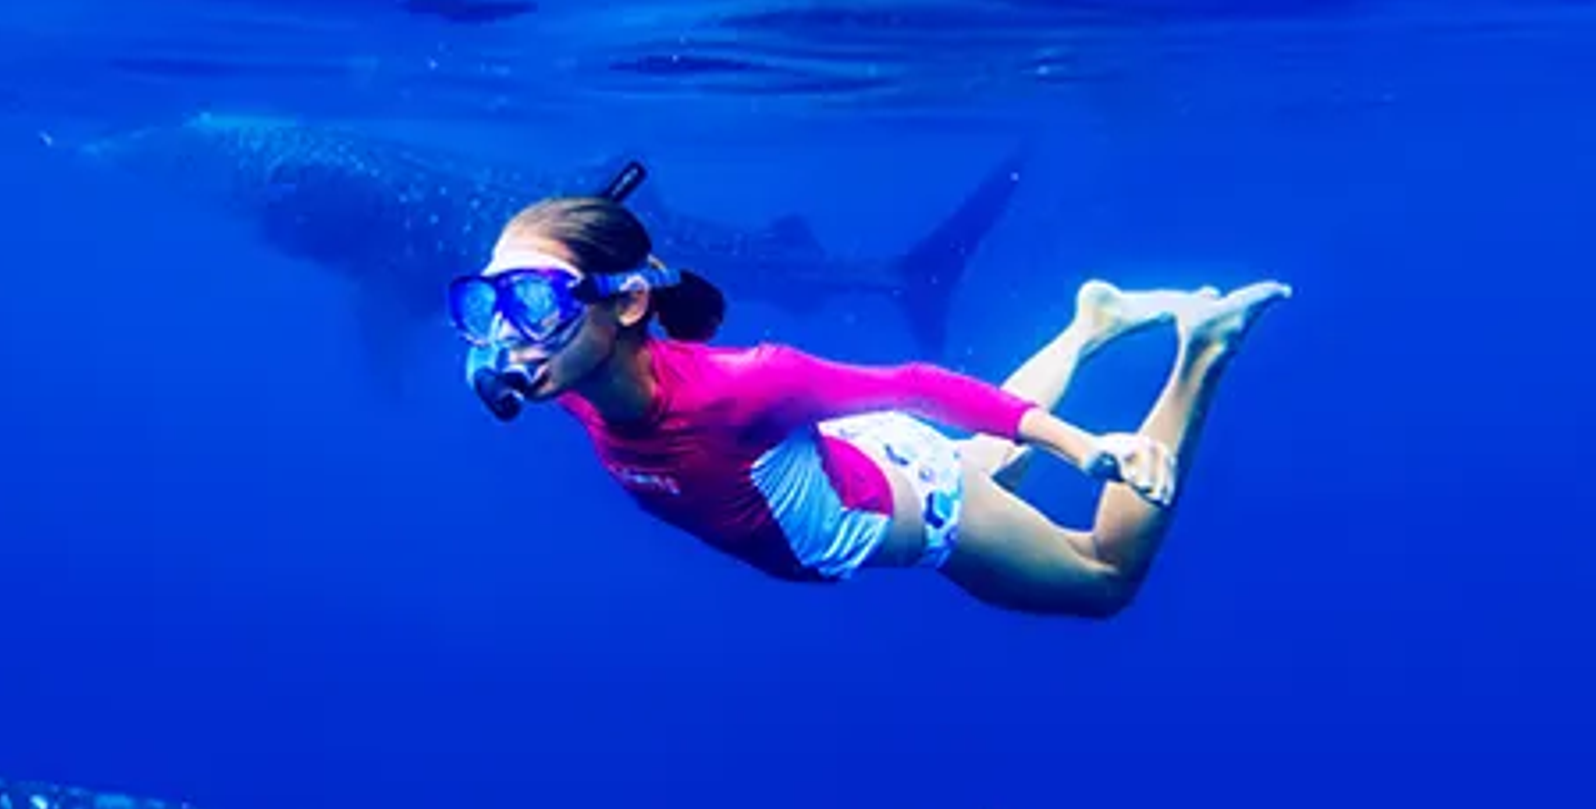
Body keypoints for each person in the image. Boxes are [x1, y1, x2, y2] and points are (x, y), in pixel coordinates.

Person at [455, 169, 1287, 618]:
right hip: (868, 465)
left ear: (630, 303)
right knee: (974, 464)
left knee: (1102, 580)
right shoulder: (563, 377)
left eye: (531, 304)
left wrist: (1083, 447)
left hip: (921, 506)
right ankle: (1091, 325)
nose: (508, 337)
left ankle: (1202, 352)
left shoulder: (744, 387)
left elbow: (919, 386)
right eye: (487, 305)